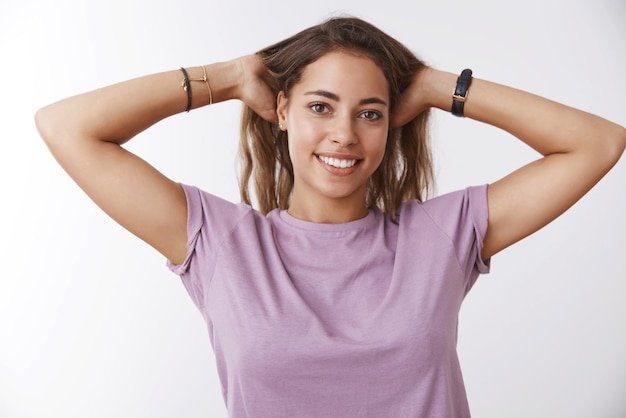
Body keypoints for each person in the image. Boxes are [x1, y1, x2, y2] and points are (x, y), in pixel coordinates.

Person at [35, 16, 625, 418]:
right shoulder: (217, 241)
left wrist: (438, 86)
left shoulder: (443, 234)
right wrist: (231, 78)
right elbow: (67, 127)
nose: (344, 135)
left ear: (393, 122)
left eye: (370, 113)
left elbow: (597, 143)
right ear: (283, 110)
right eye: (321, 107)